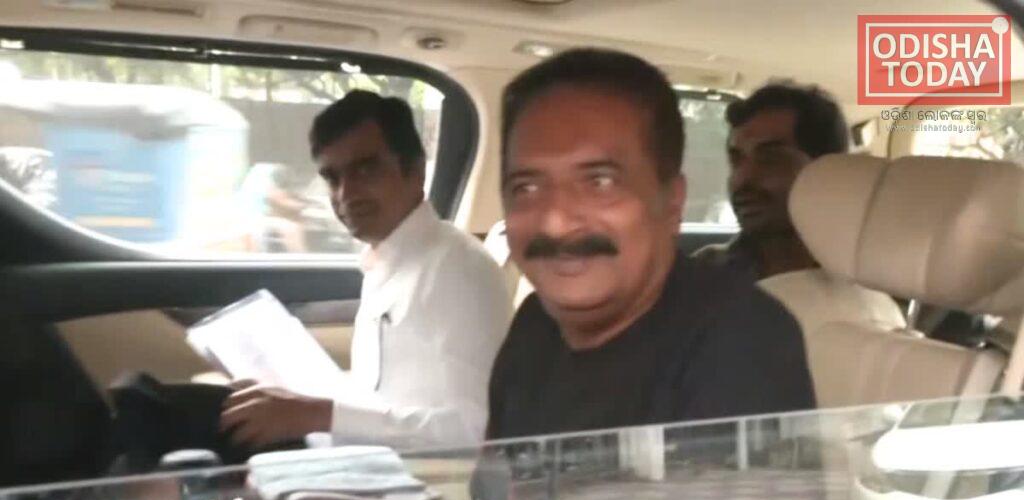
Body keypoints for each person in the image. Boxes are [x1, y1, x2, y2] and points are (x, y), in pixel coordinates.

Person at [485, 49, 815, 440]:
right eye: (526, 188)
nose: (555, 222)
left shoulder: (743, 340)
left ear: (672, 201)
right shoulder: (534, 326)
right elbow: (496, 476)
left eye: (600, 182)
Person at [219, 90, 512, 450]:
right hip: (370, 462)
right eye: (332, 178)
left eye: (365, 170)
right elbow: (384, 396)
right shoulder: (386, 261)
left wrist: (318, 414)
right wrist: (294, 399)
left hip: (424, 478)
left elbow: (477, 432)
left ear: (415, 170)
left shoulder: (458, 270)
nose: (346, 194)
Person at [692, 82, 849, 281]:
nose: (742, 179)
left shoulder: (868, 280)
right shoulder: (704, 271)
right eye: (736, 160)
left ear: (827, 173)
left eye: (771, 159)